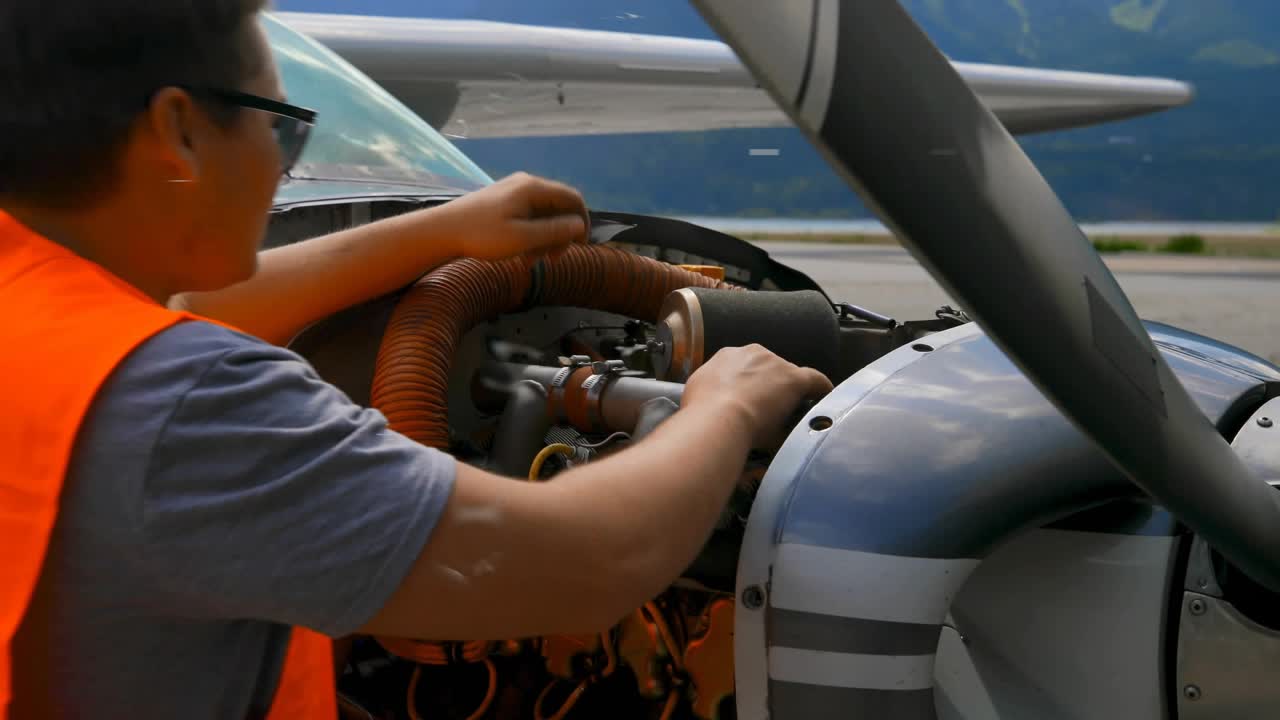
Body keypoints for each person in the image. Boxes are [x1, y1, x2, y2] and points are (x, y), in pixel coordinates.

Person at [0, 2, 833, 718]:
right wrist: (724, 408)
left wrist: (441, 233)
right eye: (281, 130)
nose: (279, 168)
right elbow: (586, 562)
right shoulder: (189, 405)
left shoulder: (39, 312)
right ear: (179, 132)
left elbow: (181, 314)